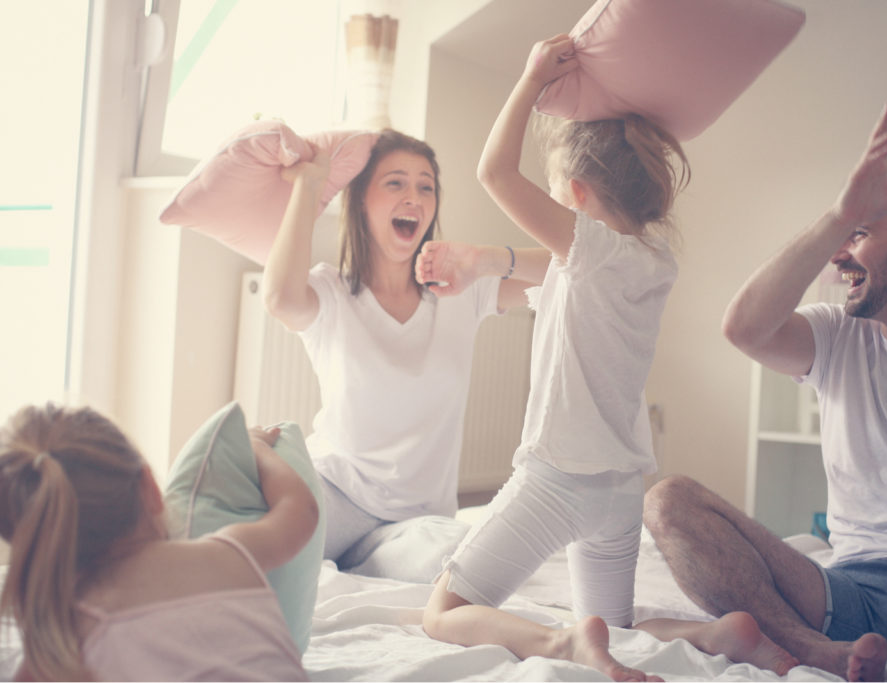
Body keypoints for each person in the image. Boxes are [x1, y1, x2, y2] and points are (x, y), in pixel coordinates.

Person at [421, 34, 798, 682]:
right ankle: (715, 632)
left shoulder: (590, 250)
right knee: (616, 627)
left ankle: (562, 644)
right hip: (620, 486)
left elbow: (493, 174)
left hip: (557, 479)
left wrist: (530, 80)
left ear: (575, 192)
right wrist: (484, 259)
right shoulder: (653, 261)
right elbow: (557, 266)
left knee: (444, 609)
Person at [644, 102, 887, 681]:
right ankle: (815, 650)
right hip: (841, 592)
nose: (840, 254)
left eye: (861, 235)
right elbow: (743, 328)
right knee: (666, 501)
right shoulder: (837, 333)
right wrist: (840, 214)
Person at [263, 129, 538, 579]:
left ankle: (353, 560)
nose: (414, 196)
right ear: (362, 202)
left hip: (418, 519)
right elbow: (280, 300)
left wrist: (485, 258)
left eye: (425, 186)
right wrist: (309, 185)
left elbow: (571, 268)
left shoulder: (462, 292)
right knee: (257, 546)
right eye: (395, 183)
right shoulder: (331, 292)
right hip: (337, 491)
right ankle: (338, 554)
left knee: (459, 556)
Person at [0, 402, 317, 681]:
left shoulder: (66, 635)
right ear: (149, 487)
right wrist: (255, 448)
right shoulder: (230, 552)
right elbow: (301, 510)